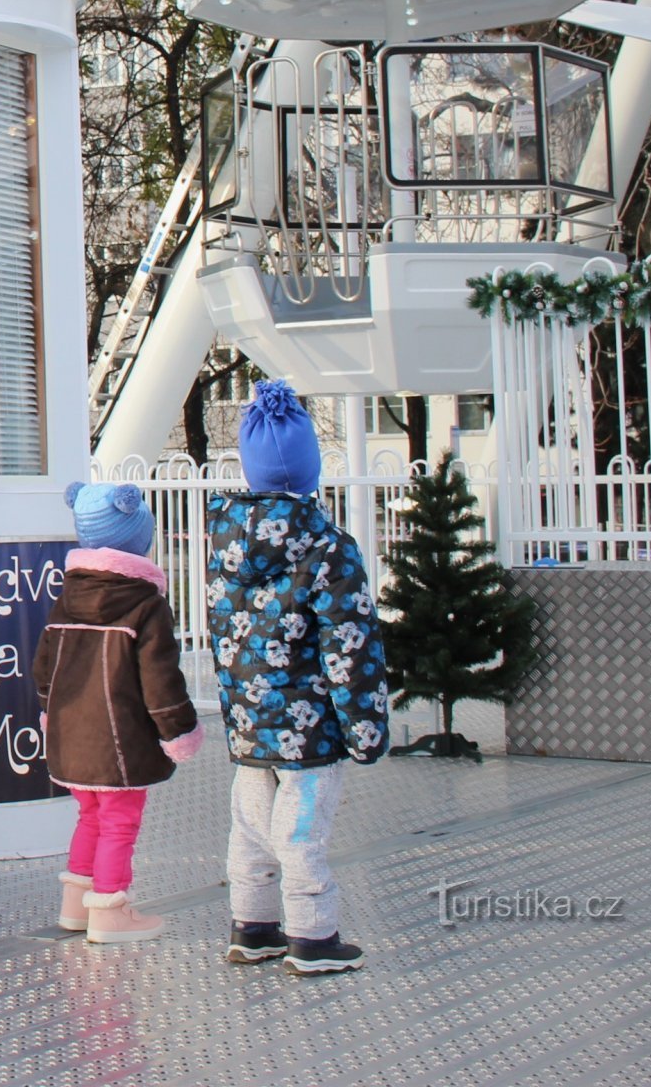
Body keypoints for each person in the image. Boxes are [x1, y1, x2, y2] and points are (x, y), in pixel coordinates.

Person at [204, 380, 390, 976]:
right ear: (310, 469)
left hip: (249, 721)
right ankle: (313, 935)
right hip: (310, 724)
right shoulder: (330, 548)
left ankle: (252, 926)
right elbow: (350, 644)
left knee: (251, 823)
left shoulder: (224, 543)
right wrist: (365, 728)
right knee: (301, 829)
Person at [34, 482, 202, 944]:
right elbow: (160, 679)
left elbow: (43, 670)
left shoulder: (66, 598)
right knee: (119, 820)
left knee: (90, 815)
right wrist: (178, 731)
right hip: (120, 742)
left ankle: (76, 905)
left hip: (71, 739)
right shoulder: (145, 604)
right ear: (137, 539)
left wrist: (51, 717)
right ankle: (110, 908)